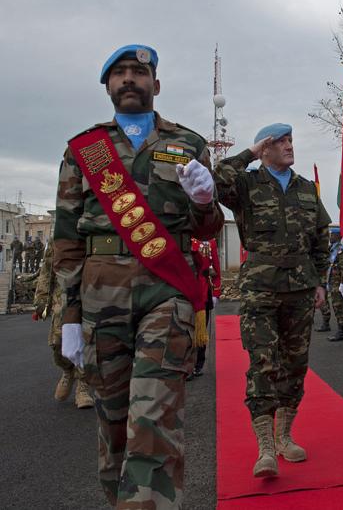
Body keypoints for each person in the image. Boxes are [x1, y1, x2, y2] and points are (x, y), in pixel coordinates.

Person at [54, 44, 224, 508]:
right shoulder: (84, 149)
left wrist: (205, 202)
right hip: (100, 294)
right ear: (107, 86)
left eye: (139, 71)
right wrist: (70, 315)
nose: (129, 78)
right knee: (113, 426)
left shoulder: (189, 144)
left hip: (166, 292)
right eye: (120, 73)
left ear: (156, 84)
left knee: (154, 421)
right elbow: (66, 239)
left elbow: (207, 229)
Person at [214, 122, 330, 477]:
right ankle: (264, 447)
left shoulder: (306, 189)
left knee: (295, 364)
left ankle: (284, 436)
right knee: (263, 362)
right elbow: (216, 180)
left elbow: (321, 238)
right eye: (280, 142)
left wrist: (320, 281)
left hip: (300, 287)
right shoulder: (246, 184)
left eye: (290, 140)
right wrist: (248, 154)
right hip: (260, 288)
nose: (289, 146)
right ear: (264, 149)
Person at [33, 240, 94, 409]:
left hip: (88, 295)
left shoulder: (90, 234)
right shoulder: (58, 239)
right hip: (62, 299)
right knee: (57, 342)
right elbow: (47, 270)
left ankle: (83, 385)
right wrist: (42, 298)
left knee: (87, 340)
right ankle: (67, 370)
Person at [188, 237, 221, 381]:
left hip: (202, 291)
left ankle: (197, 364)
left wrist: (216, 292)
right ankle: (184, 364)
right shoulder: (185, 239)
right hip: (185, 288)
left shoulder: (209, 242)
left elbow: (215, 267)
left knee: (200, 330)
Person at [325, 225, 343, 342]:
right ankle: (340, 330)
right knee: (336, 306)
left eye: (333, 235)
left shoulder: (341, 250)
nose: (330, 237)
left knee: (339, 306)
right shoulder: (331, 249)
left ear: (338, 236)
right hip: (332, 281)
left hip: (338, 283)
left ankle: (341, 332)